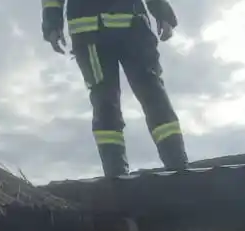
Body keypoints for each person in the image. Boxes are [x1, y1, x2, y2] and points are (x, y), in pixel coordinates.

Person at [41, 0, 188, 176]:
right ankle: (115, 173)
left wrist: (162, 13)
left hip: (131, 27)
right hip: (90, 32)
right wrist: (52, 23)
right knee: (106, 102)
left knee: (152, 92)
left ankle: (177, 162)